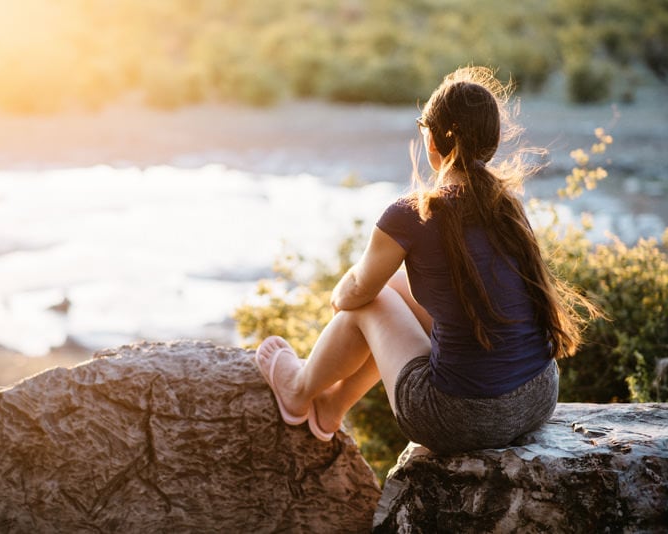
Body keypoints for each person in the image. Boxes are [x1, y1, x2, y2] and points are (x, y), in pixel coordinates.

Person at [254, 66, 599, 453]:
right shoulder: (507, 205)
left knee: (376, 298)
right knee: (397, 290)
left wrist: (342, 300)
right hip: (537, 395)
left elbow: (353, 293)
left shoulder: (411, 215)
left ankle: (298, 391)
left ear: (433, 140)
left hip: (458, 418)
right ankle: (331, 407)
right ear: (490, 142)